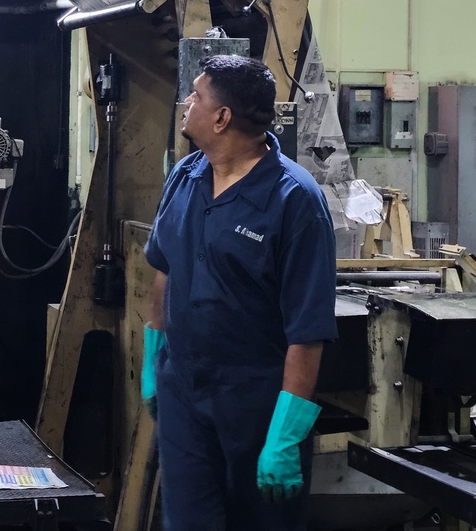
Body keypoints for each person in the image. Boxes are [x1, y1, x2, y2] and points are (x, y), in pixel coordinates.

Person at [142, 54, 337, 531]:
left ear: (222, 117)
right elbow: (163, 268)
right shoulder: (185, 175)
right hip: (185, 389)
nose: (187, 102)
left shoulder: (295, 199)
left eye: (198, 95)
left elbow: (307, 330)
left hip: (256, 402)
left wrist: (285, 437)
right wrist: (154, 355)